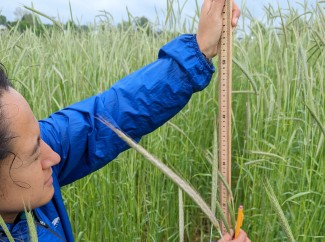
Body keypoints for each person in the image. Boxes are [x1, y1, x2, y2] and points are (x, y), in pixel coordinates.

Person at [0, 0, 250, 241]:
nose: (53, 157)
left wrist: (198, 51)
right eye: (34, 154)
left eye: (40, 137)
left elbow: (109, 116)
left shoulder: (35, 163)